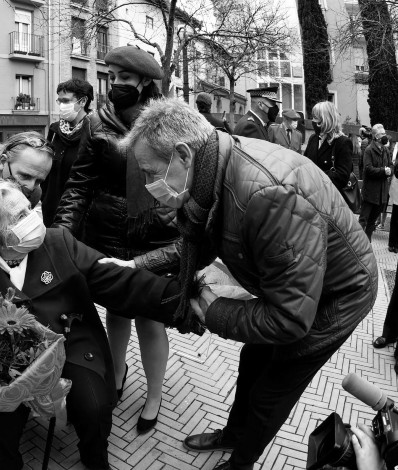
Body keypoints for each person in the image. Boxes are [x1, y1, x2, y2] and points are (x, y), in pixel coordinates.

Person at [119, 97, 377, 470]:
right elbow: (200, 242)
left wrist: (213, 310)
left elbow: (290, 319)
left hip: (338, 297)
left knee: (274, 386)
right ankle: (234, 434)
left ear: (183, 155)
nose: (147, 184)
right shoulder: (213, 168)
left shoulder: (268, 195)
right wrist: (134, 264)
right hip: (302, 285)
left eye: (148, 171)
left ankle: (240, 462)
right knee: (252, 357)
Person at [0, 179, 184, 470]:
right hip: (4, 363)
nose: (34, 219)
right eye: (20, 217)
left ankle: (94, 458)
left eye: (31, 208)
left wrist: (180, 300)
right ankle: (9, 463)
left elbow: (114, 278)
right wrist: (14, 375)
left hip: (70, 343)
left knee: (94, 405)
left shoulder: (58, 242)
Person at [54, 45, 179, 434]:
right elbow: (80, 184)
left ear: (145, 82)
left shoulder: (169, 123)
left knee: (150, 319)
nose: (116, 86)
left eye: (125, 79)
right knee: (116, 313)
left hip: (154, 237)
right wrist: (61, 232)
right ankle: (117, 373)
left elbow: (183, 181)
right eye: (113, 78)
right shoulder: (99, 124)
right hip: (107, 234)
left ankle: (154, 393)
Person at [41, 78, 94, 226]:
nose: (62, 106)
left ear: (82, 101)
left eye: (66, 101)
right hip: (50, 209)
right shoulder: (54, 130)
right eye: (60, 101)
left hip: (79, 214)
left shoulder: (94, 132)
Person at [304, 101, 354, 203]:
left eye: (316, 117)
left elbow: (342, 177)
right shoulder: (313, 138)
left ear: (325, 119)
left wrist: (315, 176)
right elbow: (305, 162)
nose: (313, 121)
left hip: (331, 199)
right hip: (311, 197)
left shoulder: (342, 142)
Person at [359, 124, 392, 240]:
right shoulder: (369, 150)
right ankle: (357, 245)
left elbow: (390, 166)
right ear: (376, 136)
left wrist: (389, 171)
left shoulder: (385, 150)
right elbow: (368, 169)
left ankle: (367, 245)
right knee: (363, 221)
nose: (385, 136)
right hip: (370, 193)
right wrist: (383, 171)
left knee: (372, 223)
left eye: (385, 133)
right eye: (382, 134)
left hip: (381, 194)